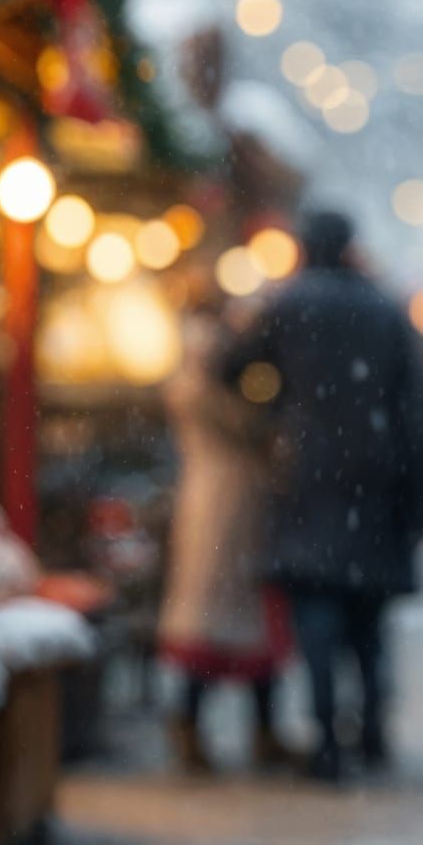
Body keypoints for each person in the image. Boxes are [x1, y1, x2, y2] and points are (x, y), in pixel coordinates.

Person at [222, 209, 423, 782]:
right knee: (369, 616)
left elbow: (230, 367)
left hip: (305, 477)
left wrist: (276, 408)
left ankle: (326, 738)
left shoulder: (286, 304)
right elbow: (416, 408)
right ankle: (371, 727)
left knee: (316, 614)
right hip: (376, 477)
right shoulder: (384, 309)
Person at [157, 296, 294, 774]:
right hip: (228, 507)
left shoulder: (193, 385)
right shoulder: (207, 391)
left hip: (221, 504)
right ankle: (205, 725)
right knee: (225, 622)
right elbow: (251, 428)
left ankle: (231, 726)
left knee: (234, 620)